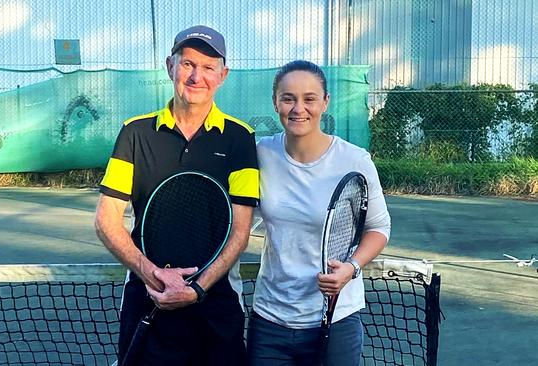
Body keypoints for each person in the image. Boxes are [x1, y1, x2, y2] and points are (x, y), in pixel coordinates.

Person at [94, 25, 259, 366]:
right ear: (170, 66)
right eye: (188, 64)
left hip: (217, 300)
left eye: (209, 67)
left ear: (223, 75)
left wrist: (196, 289)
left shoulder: (240, 139)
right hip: (148, 295)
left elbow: (240, 232)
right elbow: (105, 221)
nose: (197, 75)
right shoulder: (134, 133)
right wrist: (154, 274)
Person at [247, 60, 391, 366]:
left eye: (309, 98)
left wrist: (350, 268)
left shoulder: (354, 160)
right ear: (276, 103)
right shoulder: (260, 154)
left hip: (336, 319)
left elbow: (379, 228)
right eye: (289, 98)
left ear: (325, 102)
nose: (299, 108)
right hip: (270, 320)